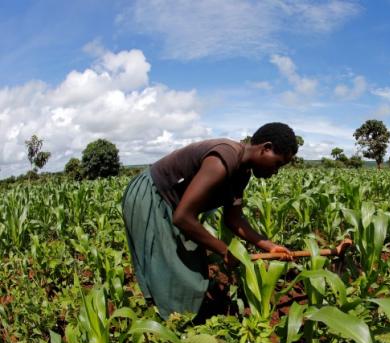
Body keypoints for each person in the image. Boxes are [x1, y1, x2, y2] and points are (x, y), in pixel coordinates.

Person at [121, 122, 297, 319]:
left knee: (189, 267)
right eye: (278, 164)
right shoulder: (224, 159)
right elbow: (182, 217)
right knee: (173, 268)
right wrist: (224, 251)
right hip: (153, 195)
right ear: (266, 148)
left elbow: (233, 219)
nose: (276, 172)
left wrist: (269, 246)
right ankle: (167, 323)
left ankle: (176, 316)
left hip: (174, 205)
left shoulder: (242, 173)